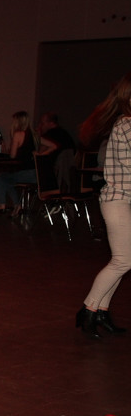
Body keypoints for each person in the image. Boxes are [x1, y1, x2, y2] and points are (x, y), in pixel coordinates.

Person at [75, 72, 131, 339]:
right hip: (117, 200)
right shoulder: (127, 124)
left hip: (122, 200)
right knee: (123, 260)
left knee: (123, 260)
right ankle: (88, 309)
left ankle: (101, 311)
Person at [0, 111, 37, 216]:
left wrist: (7, 150)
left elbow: (12, 155)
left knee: (2, 178)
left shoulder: (18, 134)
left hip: (25, 172)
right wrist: (41, 154)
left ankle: (4, 204)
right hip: (36, 173)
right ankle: (16, 206)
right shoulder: (35, 135)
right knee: (7, 179)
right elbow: (53, 146)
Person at [38, 111, 76, 191]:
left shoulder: (49, 135)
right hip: (67, 172)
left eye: (42, 123)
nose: (40, 126)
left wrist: (38, 136)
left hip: (52, 172)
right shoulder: (65, 134)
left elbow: (40, 153)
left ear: (51, 123)